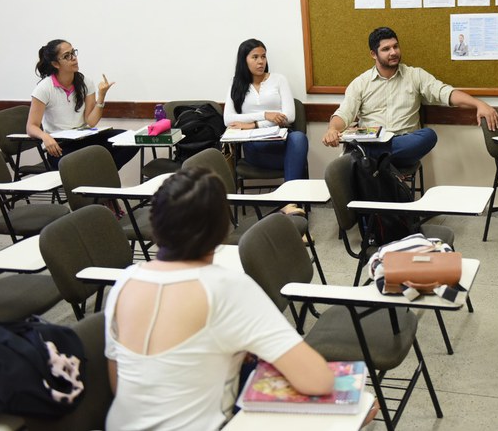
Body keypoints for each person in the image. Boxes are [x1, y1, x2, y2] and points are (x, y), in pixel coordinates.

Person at [104, 167, 334, 430]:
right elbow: (318, 380)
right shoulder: (227, 288)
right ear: (222, 229)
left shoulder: (125, 281)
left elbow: (118, 383)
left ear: (154, 223)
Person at [322, 27, 498, 166]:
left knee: (428, 136)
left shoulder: (415, 75)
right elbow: (344, 113)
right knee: (356, 164)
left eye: (395, 46)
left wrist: (478, 104)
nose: (393, 52)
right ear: (373, 54)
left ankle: (373, 159)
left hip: (404, 145)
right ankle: (378, 164)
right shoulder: (361, 83)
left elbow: (444, 92)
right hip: (372, 141)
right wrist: (332, 129)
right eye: (386, 49)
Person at [27, 39, 138, 170]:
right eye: (67, 56)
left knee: (132, 139)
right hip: (60, 146)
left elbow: (91, 122)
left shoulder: (85, 82)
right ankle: (100, 176)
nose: (74, 58)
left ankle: (104, 174)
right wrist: (45, 137)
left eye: (73, 53)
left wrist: (101, 96)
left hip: (84, 139)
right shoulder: (44, 88)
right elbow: (31, 127)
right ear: (55, 64)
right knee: (81, 163)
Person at [224, 38, 308, 182]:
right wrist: (265, 115)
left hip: (281, 142)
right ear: (244, 60)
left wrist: (255, 124)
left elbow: (290, 116)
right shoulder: (236, 84)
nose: (261, 61)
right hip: (255, 148)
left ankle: (290, 202)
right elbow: (228, 119)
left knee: (299, 138)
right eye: (255, 57)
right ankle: (291, 200)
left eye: (263, 56)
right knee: (295, 160)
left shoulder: (279, 80)